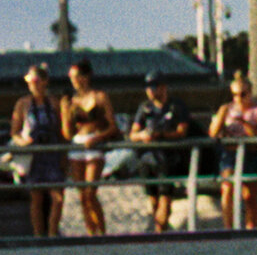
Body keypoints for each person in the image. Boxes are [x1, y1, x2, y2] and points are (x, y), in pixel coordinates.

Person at [128, 71, 192, 235]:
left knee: (165, 196)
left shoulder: (176, 106)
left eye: (154, 86)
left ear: (163, 87)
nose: (150, 90)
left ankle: (158, 233)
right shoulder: (144, 108)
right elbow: (133, 134)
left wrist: (161, 135)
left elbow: (182, 131)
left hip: (168, 159)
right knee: (154, 199)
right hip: (147, 159)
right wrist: (143, 135)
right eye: (148, 87)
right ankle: (161, 230)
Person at [10, 62, 67, 237]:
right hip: (34, 155)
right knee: (36, 198)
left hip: (52, 153)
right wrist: (22, 142)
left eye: (35, 81)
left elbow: (62, 132)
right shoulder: (23, 104)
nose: (32, 85)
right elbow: (15, 132)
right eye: (30, 81)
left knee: (57, 197)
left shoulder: (54, 103)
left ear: (44, 81)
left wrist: (64, 156)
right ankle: (38, 234)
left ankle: (51, 233)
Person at [64, 58, 117, 237]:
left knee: (90, 192)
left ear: (87, 76)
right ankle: (90, 232)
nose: (75, 80)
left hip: (94, 143)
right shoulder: (71, 100)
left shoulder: (100, 96)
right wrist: (65, 111)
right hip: (77, 144)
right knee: (81, 196)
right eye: (72, 77)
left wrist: (98, 137)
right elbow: (67, 132)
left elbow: (113, 126)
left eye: (78, 76)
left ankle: (102, 232)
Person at [209, 72, 257, 230]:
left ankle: (251, 229)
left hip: (251, 154)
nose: (238, 99)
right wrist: (221, 115)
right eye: (234, 94)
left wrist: (244, 122)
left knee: (250, 197)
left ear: (250, 93)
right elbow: (213, 133)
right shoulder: (227, 109)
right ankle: (228, 228)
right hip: (230, 154)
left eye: (243, 94)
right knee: (227, 189)